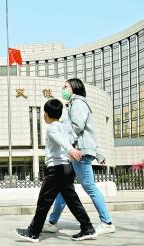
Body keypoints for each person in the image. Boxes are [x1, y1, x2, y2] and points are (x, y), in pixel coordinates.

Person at [15, 99, 97, 243]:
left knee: (44, 202)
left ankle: (33, 233)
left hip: (56, 170)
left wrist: (70, 149)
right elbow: (70, 137)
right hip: (66, 168)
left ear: (45, 114)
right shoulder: (64, 126)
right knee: (72, 200)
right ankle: (87, 227)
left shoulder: (52, 128)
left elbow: (61, 140)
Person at [42, 78, 115, 235]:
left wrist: (65, 145)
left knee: (89, 186)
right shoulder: (74, 104)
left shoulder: (78, 103)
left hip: (79, 153)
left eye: (66, 86)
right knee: (64, 189)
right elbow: (88, 132)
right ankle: (52, 222)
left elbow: (77, 127)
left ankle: (107, 222)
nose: (63, 89)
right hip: (77, 152)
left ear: (74, 88)